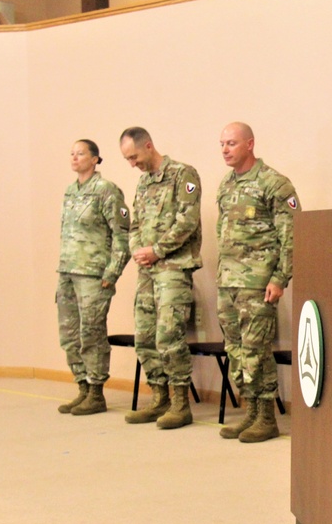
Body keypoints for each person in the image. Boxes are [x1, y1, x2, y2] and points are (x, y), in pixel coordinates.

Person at [215, 122, 299, 443]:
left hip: (258, 283)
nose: (225, 149)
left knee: (256, 349)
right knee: (235, 349)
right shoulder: (226, 184)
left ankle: (266, 418)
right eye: (222, 144)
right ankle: (249, 412)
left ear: (250, 144)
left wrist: (280, 278)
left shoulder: (273, 184)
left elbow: (291, 236)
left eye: (231, 143)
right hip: (229, 282)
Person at [119, 127, 202, 429]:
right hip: (148, 271)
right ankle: (159, 398)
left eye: (134, 157)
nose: (132, 164)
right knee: (144, 336)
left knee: (169, 335)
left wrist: (156, 250)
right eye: (127, 159)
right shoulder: (142, 184)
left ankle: (181, 404)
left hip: (174, 268)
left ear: (149, 146)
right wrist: (139, 252)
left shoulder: (183, 174)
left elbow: (187, 221)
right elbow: (135, 225)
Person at [57, 139, 131, 415]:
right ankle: (83, 387)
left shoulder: (107, 191)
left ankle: (97, 392)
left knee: (92, 334)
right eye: (72, 153)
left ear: (96, 159)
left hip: (93, 275)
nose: (75, 158)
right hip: (67, 272)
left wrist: (112, 273)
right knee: (69, 334)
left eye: (81, 153)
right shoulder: (70, 192)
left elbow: (122, 235)